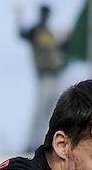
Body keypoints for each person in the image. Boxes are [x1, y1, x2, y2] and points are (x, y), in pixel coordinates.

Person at [17, 5, 68, 150]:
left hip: (56, 75)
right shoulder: (36, 31)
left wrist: (67, 39)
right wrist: (19, 17)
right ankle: (31, 143)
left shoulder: (51, 34)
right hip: (44, 76)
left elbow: (61, 49)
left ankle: (43, 143)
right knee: (40, 111)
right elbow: (22, 33)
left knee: (51, 111)